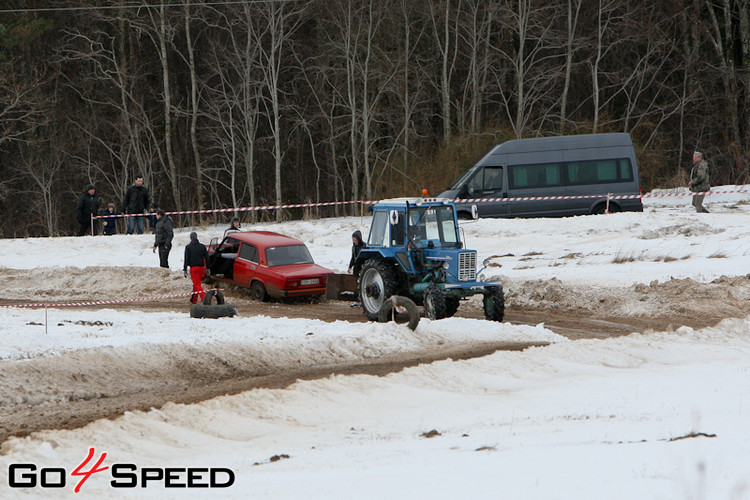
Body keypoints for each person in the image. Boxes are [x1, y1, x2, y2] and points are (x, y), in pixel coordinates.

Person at [184, 231, 208, 304]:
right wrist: (208, 268)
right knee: (196, 284)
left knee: (197, 284)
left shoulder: (188, 247)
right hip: (201, 268)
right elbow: (207, 257)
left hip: (194, 268)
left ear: (190, 238)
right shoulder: (202, 246)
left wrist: (185, 269)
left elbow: (186, 259)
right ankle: (194, 299)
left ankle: (205, 299)